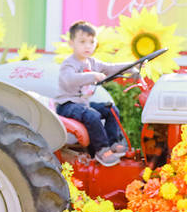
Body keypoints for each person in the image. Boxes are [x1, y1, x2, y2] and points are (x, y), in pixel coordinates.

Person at [56, 21, 136, 167]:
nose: (88, 46)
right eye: (82, 42)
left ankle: (113, 143)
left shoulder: (92, 62)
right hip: (67, 105)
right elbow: (69, 80)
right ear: (71, 43)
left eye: (91, 42)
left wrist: (131, 67)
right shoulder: (69, 64)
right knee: (92, 115)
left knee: (110, 108)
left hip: (83, 104)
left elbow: (111, 68)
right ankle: (101, 149)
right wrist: (92, 76)